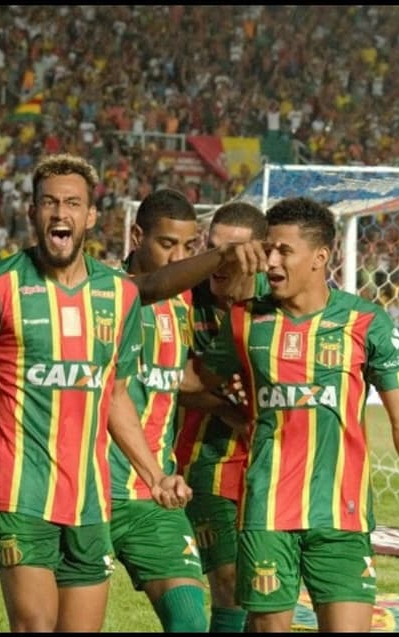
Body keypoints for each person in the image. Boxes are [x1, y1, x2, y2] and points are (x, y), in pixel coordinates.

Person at [0, 153, 193, 633]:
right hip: (15, 491)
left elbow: (115, 396)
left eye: (72, 203)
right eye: (48, 202)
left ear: (90, 216)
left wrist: (153, 474)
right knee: (35, 625)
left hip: (91, 500)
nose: (59, 213)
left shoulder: (120, 295)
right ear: (32, 213)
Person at [192, 197, 399, 632]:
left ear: (320, 258)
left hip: (342, 516)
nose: (271, 262)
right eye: (268, 249)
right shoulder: (244, 320)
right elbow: (194, 380)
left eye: (284, 251)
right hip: (265, 513)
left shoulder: (365, 322)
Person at [109, 188, 208, 632]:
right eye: (167, 244)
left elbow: (173, 376)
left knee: (189, 621)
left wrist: (228, 393)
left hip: (154, 499)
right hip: (89, 493)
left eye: (189, 248)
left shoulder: (184, 304)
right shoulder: (106, 290)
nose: (179, 257)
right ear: (137, 236)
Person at [173, 201, 270, 633]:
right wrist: (228, 408)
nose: (220, 260)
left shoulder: (275, 298)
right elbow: (178, 380)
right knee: (227, 579)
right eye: (213, 249)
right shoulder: (183, 297)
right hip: (207, 458)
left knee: (264, 586)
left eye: (232, 251)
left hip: (270, 462)